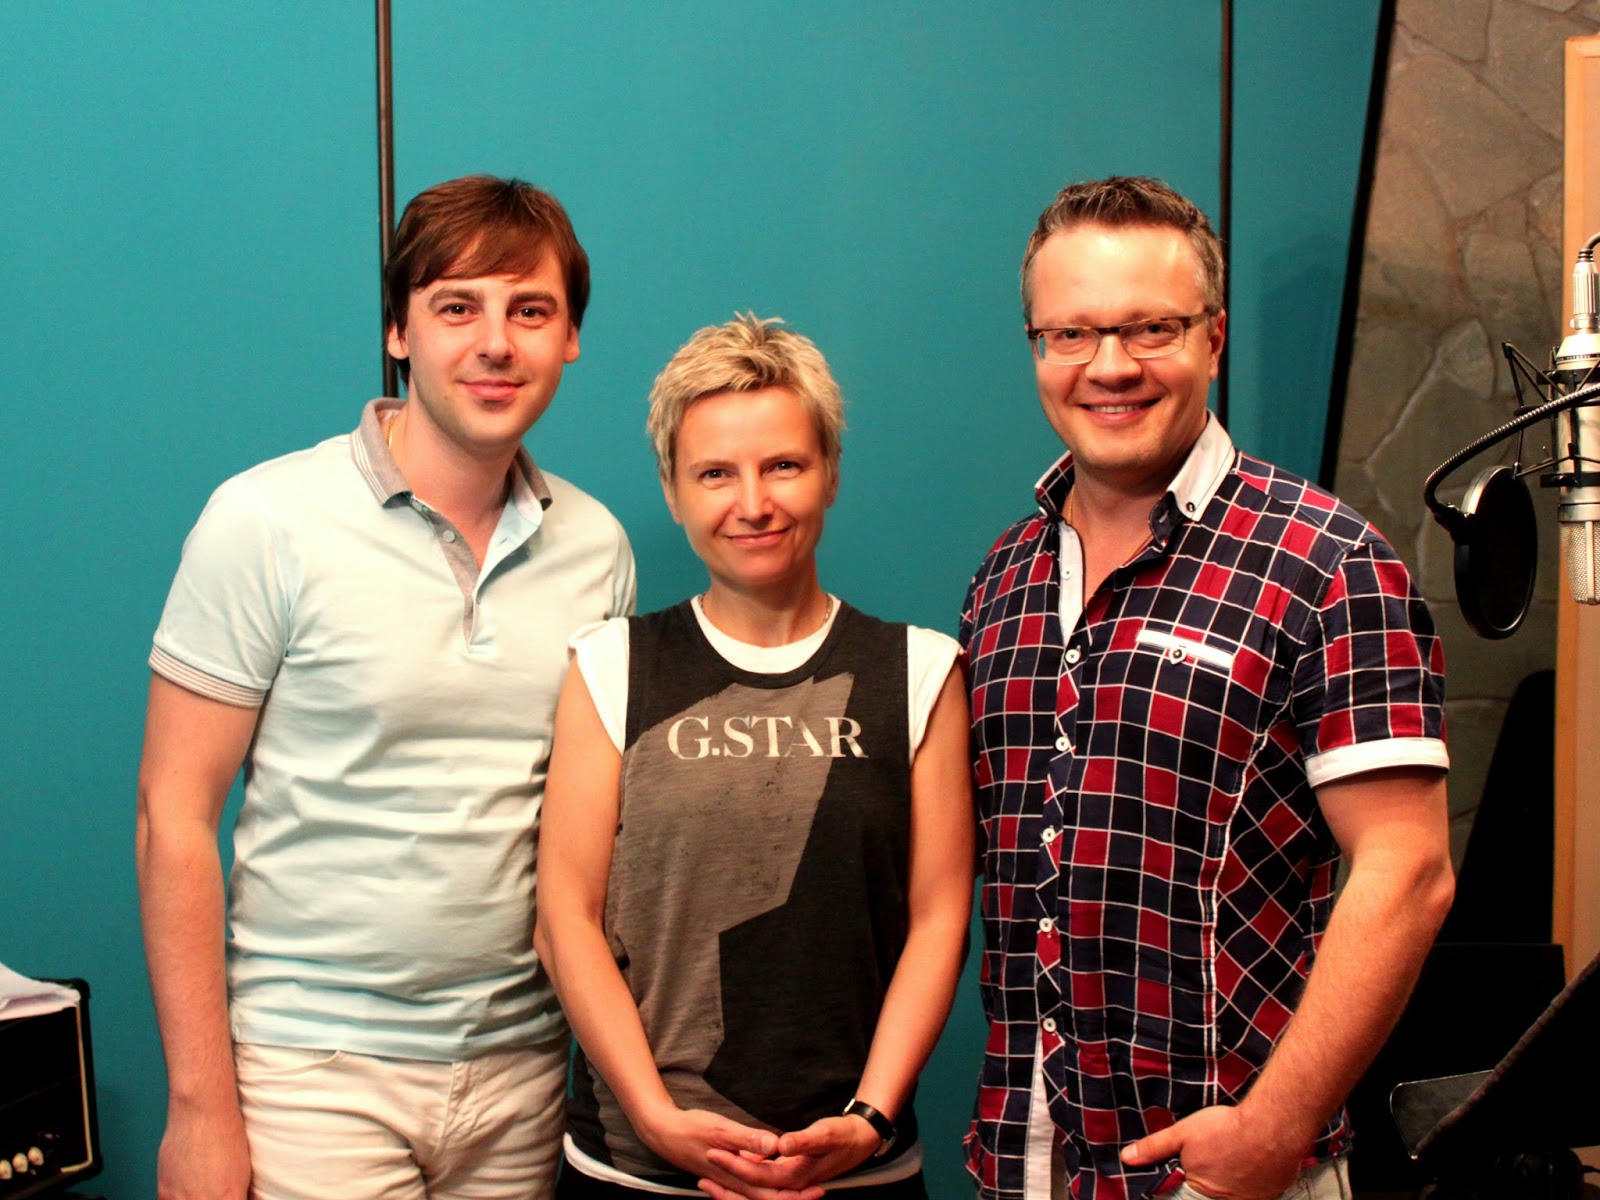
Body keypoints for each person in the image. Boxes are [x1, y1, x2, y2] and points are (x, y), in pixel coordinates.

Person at [136, 175, 635, 1200]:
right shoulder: (265, 521)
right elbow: (171, 816)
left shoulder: (598, 548)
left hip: (524, 1071)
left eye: (529, 310)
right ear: (398, 331)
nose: (494, 343)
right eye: (457, 307)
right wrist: (199, 1110)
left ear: (570, 337)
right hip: (312, 1074)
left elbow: (593, 832)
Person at [959, 176, 1454, 1200]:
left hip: (1226, 1173)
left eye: (1151, 328)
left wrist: (1277, 1125)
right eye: (1070, 334)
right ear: (1036, 347)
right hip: (1026, 1158)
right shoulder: (1002, 580)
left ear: (1214, 338)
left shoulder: (1328, 564)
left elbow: (1407, 870)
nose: (1109, 366)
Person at [534, 314, 973, 1200]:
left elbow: (939, 918)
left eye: (783, 466)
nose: (753, 503)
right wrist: (658, 1120)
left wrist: (869, 1118)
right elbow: (564, 919)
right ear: (672, 491)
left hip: (856, 1171)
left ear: (831, 472)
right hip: (637, 1171)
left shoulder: (920, 671)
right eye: (714, 473)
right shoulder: (611, 665)